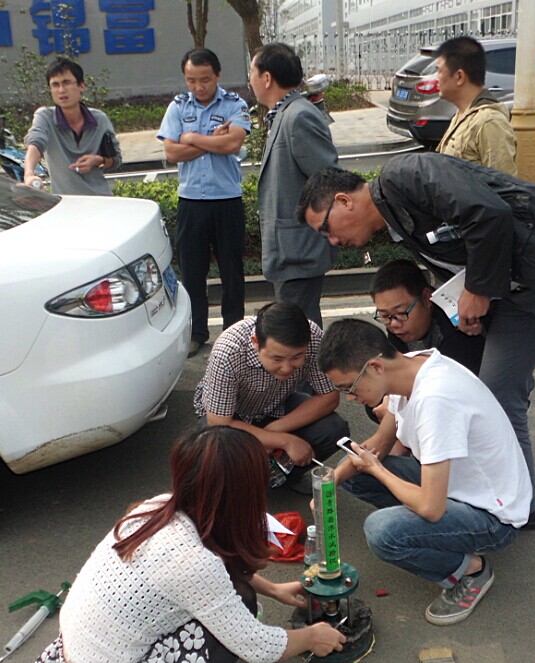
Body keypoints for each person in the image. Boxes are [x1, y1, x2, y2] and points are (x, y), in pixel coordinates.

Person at [297, 153, 535, 581]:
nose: (331, 241)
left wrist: (478, 289)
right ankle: (521, 505)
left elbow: (489, 213)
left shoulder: (405, 175)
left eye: (325, 228)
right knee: (497, 392)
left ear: (344, 201)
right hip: (519, 293)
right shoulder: (396, 219)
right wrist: (475, 301)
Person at [35, 427, 346, 663]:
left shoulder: (158, 507)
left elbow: (214, 565)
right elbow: (256, 646)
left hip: (81, 645)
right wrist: (311, 637)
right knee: (234, 619)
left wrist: (274, 589)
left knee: (240, 593)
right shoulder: (191, 562)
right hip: (108, 656)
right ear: (245, 492)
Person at [317, 318, 532, 625]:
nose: (351, 398)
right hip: (454, 486)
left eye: (348, 388)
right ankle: (424, 532)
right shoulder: (410, 368)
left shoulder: (435, 399)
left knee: (382, 532)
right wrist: (330, 483)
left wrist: (379, 471)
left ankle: (471, 571)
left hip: (493, 516)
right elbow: (378, 445)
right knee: (351, 470)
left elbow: (431, 507)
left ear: (375, 367)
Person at [158, 48, 250, 358]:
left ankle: (233, 332)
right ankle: (197, 332)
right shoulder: (177, 106)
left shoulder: (234, 104)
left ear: (218, 75)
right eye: (191, 80)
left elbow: (233, 143)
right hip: (191, 202)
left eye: (205, 80)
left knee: (232, 272)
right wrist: (212, 139)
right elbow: (172, 152)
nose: (198, 87)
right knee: (192, 273)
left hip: (227, 200)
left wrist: (191, 138)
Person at [193, 301, 349, 484]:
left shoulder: (313, 336)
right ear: (256, 343)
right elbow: (219, 422)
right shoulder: (228, 351)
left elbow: (329, 396)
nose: (286, 368)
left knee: (334, 429)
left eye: (297, 357)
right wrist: (284, 441)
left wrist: (272, 432)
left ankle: (282, 479)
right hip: (231, 414)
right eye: (277, 359)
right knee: (219, 446)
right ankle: (243, 484)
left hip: (277, 404)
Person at [250, 43, 339, 327]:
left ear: (266, 78)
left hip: (299, 251)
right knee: (298, 331)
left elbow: (328, 179)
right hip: (291, 251)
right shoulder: (285, 114)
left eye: (252, 73)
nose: (250, 80)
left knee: (299, 334)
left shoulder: (298, 116)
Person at [23, 57, 122, 195]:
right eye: (55, 85)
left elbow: (116, 159)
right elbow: (35, 142)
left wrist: (98, 160)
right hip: (67, 202)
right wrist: (29, 174)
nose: (61, 90)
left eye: (66, 83)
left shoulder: (99, 119)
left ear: (81, 86)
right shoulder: (45, 117)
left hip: (101, 199)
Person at [371, 259, 484, 375]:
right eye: (384, 315)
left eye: (400, 312)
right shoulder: (396, 330)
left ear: (426, 298)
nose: (394, 324)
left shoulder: (456, 330)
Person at [434, 36, 517, 175]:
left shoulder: (490, 122)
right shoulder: (463, 114)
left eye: (439, 71)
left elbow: (503, 183)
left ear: (459, 77)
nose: (436, 78)